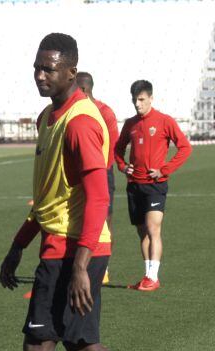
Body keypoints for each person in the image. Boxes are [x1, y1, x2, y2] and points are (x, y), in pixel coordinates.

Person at [0, 34, 194, 351]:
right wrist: (20, 243)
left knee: (39, 346)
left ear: (71, 72)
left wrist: (80, 265)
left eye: (50, 68)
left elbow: (98, 196)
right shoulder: (50, 117)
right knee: (81, 348)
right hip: (64, 247)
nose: (40, 75)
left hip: (73, 251)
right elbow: (50, 196)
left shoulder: (79, 122)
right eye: (37, 67)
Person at [115, 80, 192, 291]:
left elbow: (185, 148)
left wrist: (164, 170)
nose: (137, 104)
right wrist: (123, 166)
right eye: (134, 100)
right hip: (134, 186)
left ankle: (153, 277)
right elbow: (117, 150)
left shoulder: (164, 121)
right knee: (142, 233)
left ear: (151, 98)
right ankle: (148, 276)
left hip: (155, 185)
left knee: (153, 229)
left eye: (141, 100)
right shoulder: (130, 124)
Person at [75, 72, 118, 285]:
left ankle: (103, 266)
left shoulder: (105, 112)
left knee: (105, 219)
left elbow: (112, 146)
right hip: (79, 173)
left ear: (82, 89)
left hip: (101, 170)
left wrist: (100, 171)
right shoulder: (74, 110)